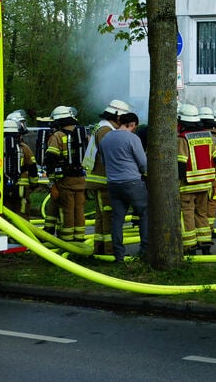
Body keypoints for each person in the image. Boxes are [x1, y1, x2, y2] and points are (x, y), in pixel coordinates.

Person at [83, 99, 132, 256]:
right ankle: (111, 252)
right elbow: (113, 155)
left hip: (98, 180)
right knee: (110, 217)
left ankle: (101, 250)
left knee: (102, 217)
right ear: (117, 116)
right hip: (104, 181)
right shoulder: (106, 131)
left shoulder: (102, 127)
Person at [99, 111, 149, 262]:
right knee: (145, 213)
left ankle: (119, 255)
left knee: (117, 219)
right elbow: (143, 162)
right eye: (134, 126)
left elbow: (103, 161)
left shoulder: (106, 138)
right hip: (132, 182)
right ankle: (145, 251)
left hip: (113, 184)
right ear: (132, 124)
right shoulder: (132, 138)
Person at [177, 103, 216, 255]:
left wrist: (177, 182)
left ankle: (190, 247)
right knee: (202, 214)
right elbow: (214, 159)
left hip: (188, 185)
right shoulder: (208, 136)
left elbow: (181, 163)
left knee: (187, 214)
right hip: (205, 183)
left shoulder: (182, 138)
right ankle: (206, 245)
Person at [45, 105, 87, 242]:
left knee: (67, 209)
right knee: (79, 209)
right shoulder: (83, 135)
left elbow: (50, 159)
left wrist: (52, 183)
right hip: (81, 179)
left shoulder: (57, 136)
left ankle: (66, 241)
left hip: (65, 180)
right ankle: (79, 239)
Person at [198, 106, 216, 235]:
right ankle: (209, 230)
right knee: (211, 202)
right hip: (215, 175)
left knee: (199, 202)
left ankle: (198, 229)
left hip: (199, 175)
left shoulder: (194, 134)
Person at [2, 113, 38, 216]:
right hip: (22, 187)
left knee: (6, 211)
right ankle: (22, 231)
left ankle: (4, 230)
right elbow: (32, 167)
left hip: (3, 186)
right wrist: (34, 183)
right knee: (22, 212)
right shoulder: (24, 148)